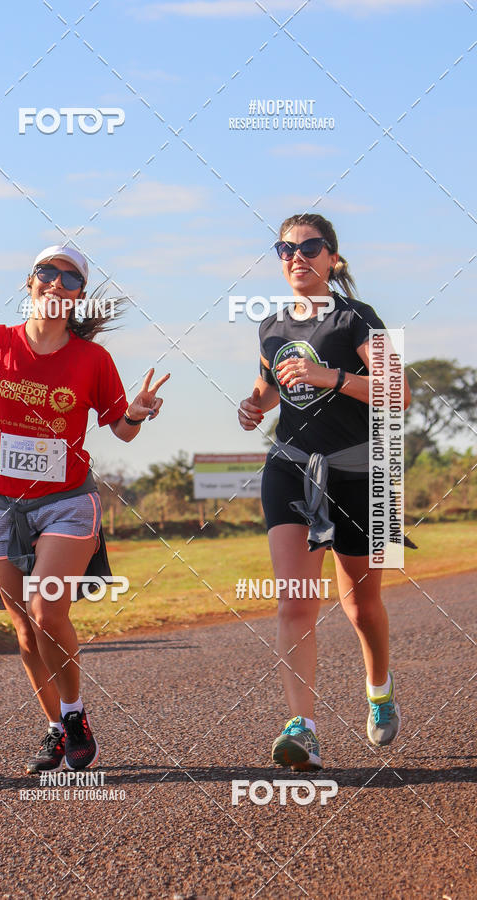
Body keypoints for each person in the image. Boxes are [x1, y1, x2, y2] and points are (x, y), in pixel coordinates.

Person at [0, 237, 169, 773]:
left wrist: (136, 412)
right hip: (4, 507)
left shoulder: (93, 359)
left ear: (79, 297)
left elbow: (121, 430)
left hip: (67, 502)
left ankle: (75, 716)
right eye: (48, 271)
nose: (57, 283)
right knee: (24, 629)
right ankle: (54, 728)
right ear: (30, 280)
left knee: (49, 610)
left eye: (71, 278)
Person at [237, 213, 410, 771]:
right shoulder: (269, 327)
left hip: (361, 475)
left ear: (332, 258)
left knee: (361, 605)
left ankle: (379, 689)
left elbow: (399, 393)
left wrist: (328, 378)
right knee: (296, 600)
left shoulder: (358, 319)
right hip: (291, 470)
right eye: (286, 248)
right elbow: (267, 390)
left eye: (310, 247)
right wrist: (252, 407)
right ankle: (303, 729)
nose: (297, 256)